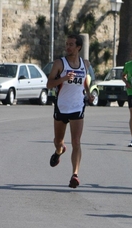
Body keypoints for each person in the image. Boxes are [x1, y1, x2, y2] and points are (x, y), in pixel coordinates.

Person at [47, 34, 94, 188]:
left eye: (71, 44)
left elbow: (84, 82)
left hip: (77, 107)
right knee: (58, 141)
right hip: (61, 106)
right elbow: (49, 84)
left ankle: (75, 174)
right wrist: (63, 78)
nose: (68, 47)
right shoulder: (60, 63)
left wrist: (88, 95)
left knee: (76, 142)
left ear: (78, 47)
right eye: (66, 44)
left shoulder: (85, 63)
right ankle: (59, 150)